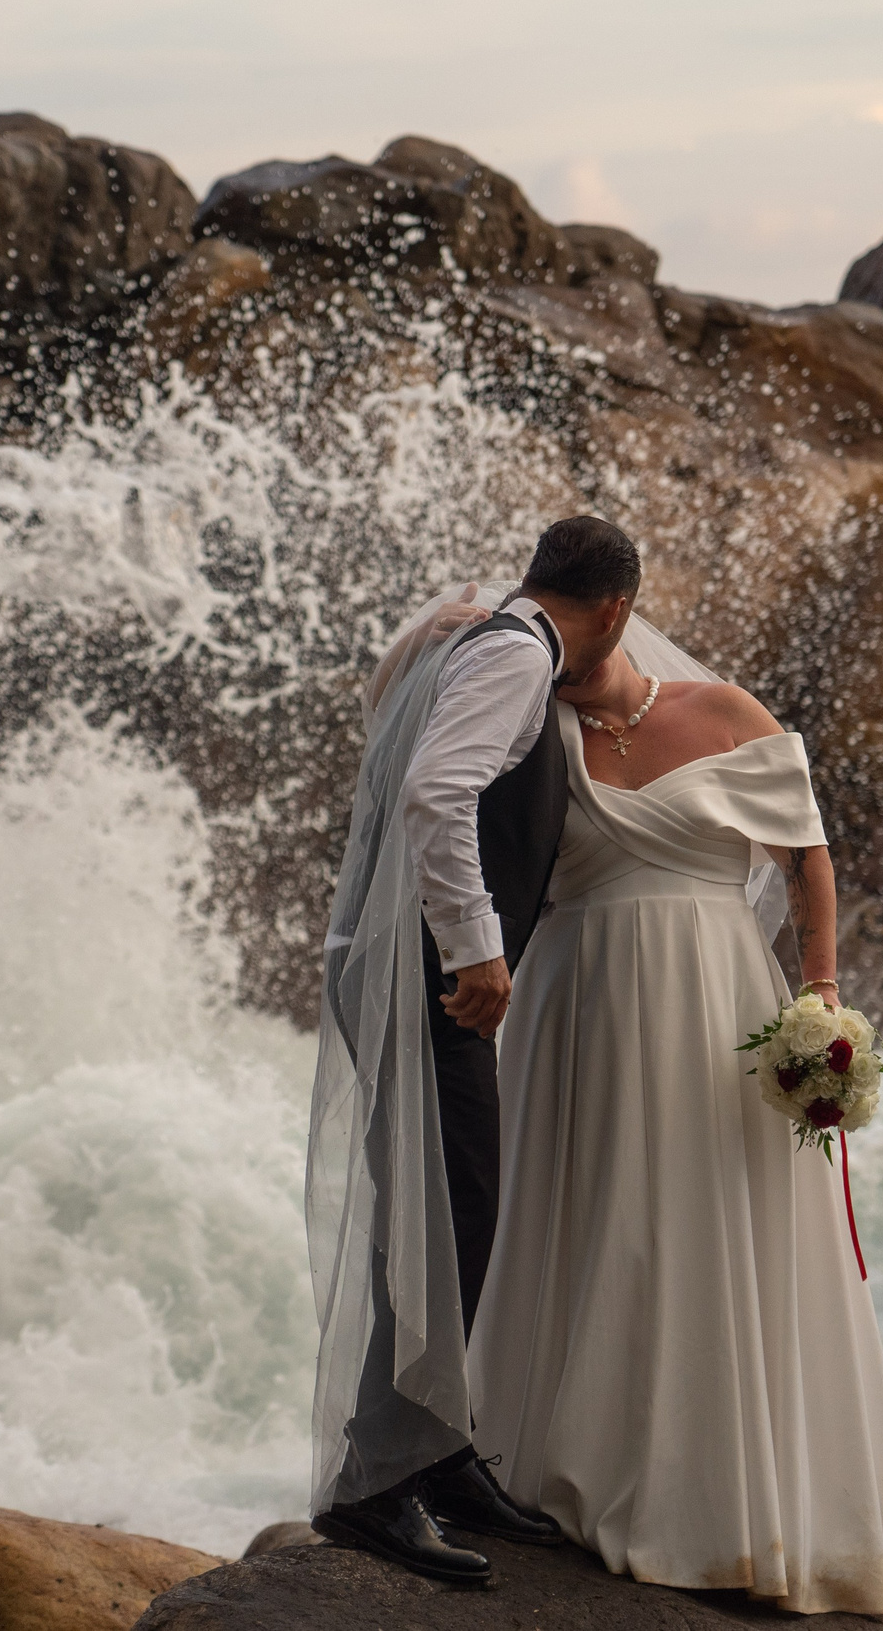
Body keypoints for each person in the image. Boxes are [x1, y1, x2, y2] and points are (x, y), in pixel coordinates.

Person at [462, 593, 883, 1614]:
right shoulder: (532, 731)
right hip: (578, 1014)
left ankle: (735, 1498)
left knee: (709, 1223)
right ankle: (573, 1465)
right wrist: (452, 630)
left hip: (715, 996)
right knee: (601, 1224)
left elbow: (806, 854)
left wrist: (820, 993)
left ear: (615, 616)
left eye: (570, 641)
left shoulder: (726, 712)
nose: (554, 662)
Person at [304, 518, 642, 1586]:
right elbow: (435, 790)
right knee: (447, 1216)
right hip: (425, 973)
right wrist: (477, 950)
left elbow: (393, 729)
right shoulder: (517, 658)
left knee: (450, 1208)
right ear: (615, 610)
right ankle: (371, 1484)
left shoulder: (480, 635)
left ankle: (434, 1450)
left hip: (402, 966)